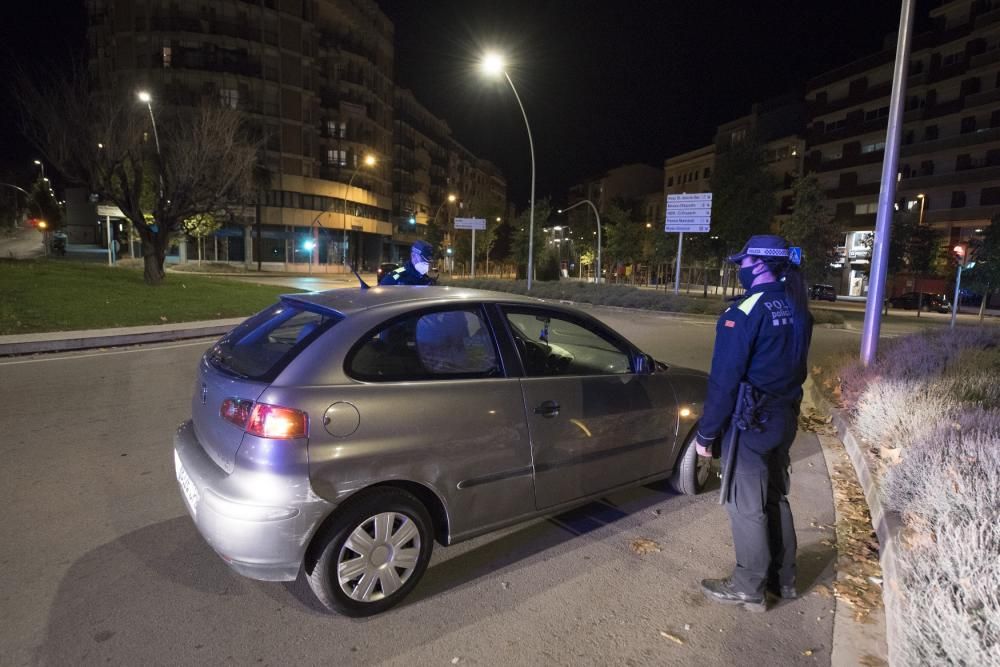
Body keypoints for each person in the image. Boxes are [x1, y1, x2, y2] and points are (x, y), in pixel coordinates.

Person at [695, 234, 813, 612]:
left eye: (742, 263)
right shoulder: (797, 307)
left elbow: (724, 381)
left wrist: (707, 433)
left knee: (745, 505)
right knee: (774, 496)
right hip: (784, 417)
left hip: (751, 422)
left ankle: (748, 584)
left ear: (759, 264)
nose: (739, 270)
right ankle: (785, 578)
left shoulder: (743, 313)